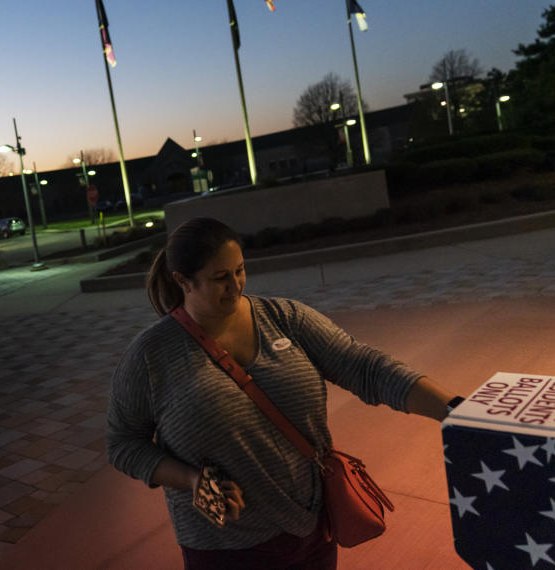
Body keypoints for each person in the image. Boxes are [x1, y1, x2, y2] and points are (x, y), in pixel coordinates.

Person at [106, 217, 461, 569]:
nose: (235, 286)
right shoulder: (151, 355)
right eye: (219, 278)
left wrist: (455, 410)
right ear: (183, 281)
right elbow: (123, 443)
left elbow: (367, 368)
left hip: (312, 531)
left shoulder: (284, 317)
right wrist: (191, 479)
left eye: (240, 271)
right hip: (225, 550)